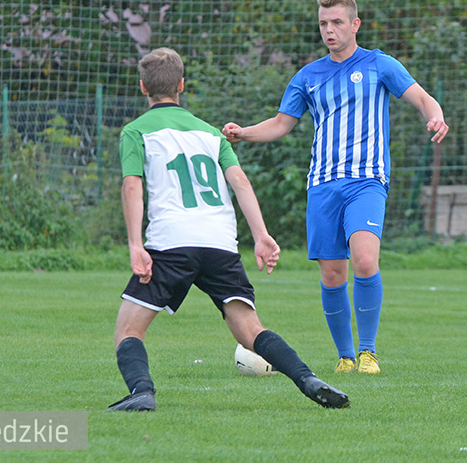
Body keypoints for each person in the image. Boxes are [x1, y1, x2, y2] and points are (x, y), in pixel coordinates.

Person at [108, 47, 350, 412]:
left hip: (172, 242)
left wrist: (133, 243)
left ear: (143, 88)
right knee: (250, 331)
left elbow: (132, 187)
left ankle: (142, 392)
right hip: (220, 243)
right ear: (182, 85)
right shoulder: (210, 134)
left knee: (128, 330)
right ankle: (306, 377)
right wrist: (262, 236)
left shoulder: (136, 131)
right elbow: (240, 183)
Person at [222, 0, 448, 374]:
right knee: (332, 273)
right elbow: (281, 124)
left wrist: (436, 115)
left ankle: (369, 352)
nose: (330, 30)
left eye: (337, 22)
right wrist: (244, 133)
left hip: (367, 181)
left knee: (364, 259)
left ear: (355, 24)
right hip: (323, 185)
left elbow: (423, 97)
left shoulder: (380, 64)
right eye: (324, 23)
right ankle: (345, 357)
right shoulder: (308, 76)